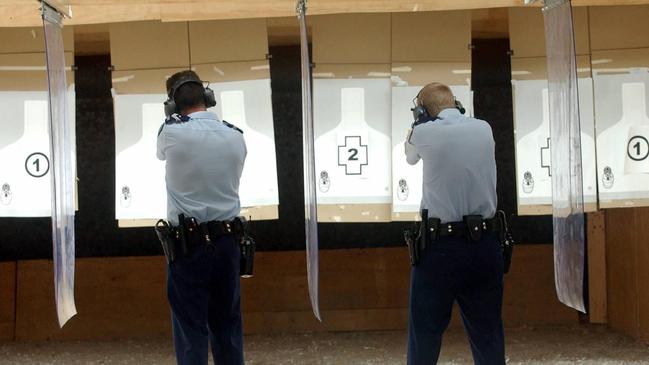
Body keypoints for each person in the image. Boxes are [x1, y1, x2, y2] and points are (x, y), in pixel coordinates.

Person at [405, 82, 505, 365]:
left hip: (440, 249)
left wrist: (418, 123)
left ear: (422, 110)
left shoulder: (422, 132)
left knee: (424, 335)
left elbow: (410, 157)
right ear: (457, 103)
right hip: (484, 245)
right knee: (489, 336)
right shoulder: (484, 128)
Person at [156, 70, 247, 365]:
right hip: (228, 244)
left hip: (188, 246)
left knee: (191, 333)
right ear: (208, 98)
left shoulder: (169, 131)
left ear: (171, 105)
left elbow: (161, 155)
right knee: (228, 328)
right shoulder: (236, 136)